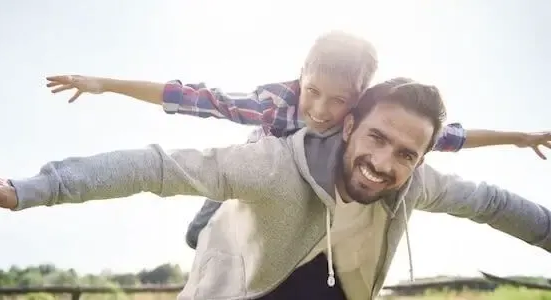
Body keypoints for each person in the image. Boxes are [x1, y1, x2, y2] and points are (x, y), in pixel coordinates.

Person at [0, 78, 549, 300]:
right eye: (375, 139)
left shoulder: (418, 181)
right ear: (348, 128)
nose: (381, 162)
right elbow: (157, 165)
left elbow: (493, 203)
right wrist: (32, 189)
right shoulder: (272, 163)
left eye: (405, 153)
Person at [44, 32, 551, 251]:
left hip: (312, 190)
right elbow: (192, 97)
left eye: (340, 102)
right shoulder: (272, 105)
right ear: (300, 76)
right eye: (314, 93)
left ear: (358, 98)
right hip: (252, 173)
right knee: (203, 228)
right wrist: (105, 83)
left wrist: (518, 137)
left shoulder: (373, 118)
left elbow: (452, 137)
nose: (323, 110)